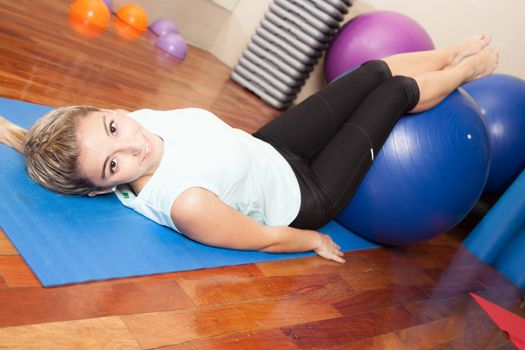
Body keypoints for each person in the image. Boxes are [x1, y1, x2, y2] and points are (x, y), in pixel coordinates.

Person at [0, 35, 499, 263]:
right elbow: (261, 236)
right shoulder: (185, 201)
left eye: (111, 127)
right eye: (113, 165)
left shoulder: (137, 123)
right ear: (101, 190)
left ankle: (449, 52)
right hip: (307, 193)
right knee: (391, 93)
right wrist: (311, 240)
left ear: (105, 110)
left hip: (267, 149)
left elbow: (154, 135)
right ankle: (469, 71)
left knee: (369, 72)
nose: (131, 144)